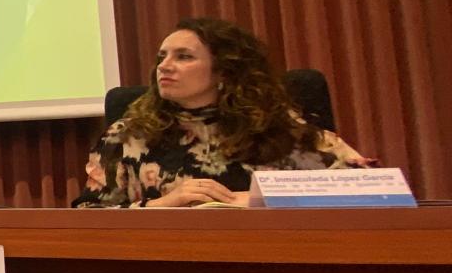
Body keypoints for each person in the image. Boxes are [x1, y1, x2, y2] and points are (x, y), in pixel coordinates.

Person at [73, 17, 368, 208]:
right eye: (162, 57)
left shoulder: (280, 126)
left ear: (224, 71)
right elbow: (87, 216)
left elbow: (369, 189)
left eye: (184, 57)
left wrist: (261, 199)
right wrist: (162, 205)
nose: (164, 66)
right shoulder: (128, 133)